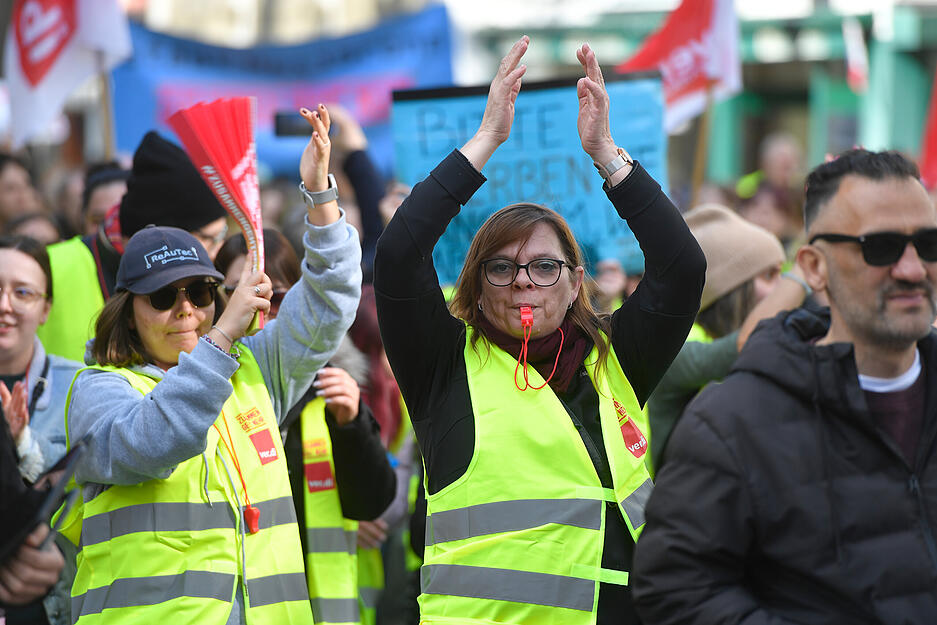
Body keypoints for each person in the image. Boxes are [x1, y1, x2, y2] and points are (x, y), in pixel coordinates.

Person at [374, 38, 705, 625]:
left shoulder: (614, 358)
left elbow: (682, 269)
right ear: (474, 286)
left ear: (576, 282)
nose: (524, 282)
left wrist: (606, 154)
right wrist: (486, 140)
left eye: (545, 266)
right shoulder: (442, 364)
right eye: (501, 267)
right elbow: (399, 253)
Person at [63, 103, 361, 624]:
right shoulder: (99, 390)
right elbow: (155, 441)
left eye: (200, 291)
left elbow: (330, 303)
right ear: (127, 313)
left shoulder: (252, 370)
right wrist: (221, 333)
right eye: (162, 297)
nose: (186, 309)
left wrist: (319, 195)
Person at [633, 149, 937, 623]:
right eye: (880, 247)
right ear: (815, 267)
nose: (914, 269)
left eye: (930, 243)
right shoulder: (729, 419)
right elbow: (678, 588)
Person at [215, 228, 396, 625]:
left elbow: (372, 502)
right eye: (240, 295)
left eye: (276, 296)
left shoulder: (331, 388)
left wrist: (351, 423)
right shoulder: (206, 396)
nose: (260, 311)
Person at [37, 131, 229, 363]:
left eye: (198, 294)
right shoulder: (45, 268)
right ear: (168, 236)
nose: (217, 251)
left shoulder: (214, 281)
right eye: (210, 238)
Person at [645, 204, 790, 469]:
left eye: (784, 273)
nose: (782, 288)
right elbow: (740, 346)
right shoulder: (674, 345)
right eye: (770, 275)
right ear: (731, 290)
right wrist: (803, 277)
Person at [0, 236, 82, 483]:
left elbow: (85, 481)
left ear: (45, 310)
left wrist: (23, 442)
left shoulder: (78, 386)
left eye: (22, 293)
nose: (5, 305)